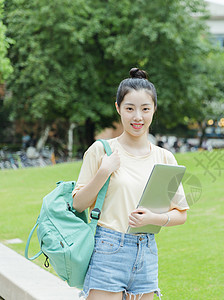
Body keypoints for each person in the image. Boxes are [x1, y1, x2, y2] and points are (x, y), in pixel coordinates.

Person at [72, 67, 189, 300]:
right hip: (108, 250)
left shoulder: (164, 158)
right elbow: (77, 204)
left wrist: (153, 219)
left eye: (145, 109)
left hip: (146, 252)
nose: (138, 117)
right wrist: (103, 172)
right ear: (118, 109)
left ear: (154, 109)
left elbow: (181, 213)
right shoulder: (101, 150)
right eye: (130, 109)